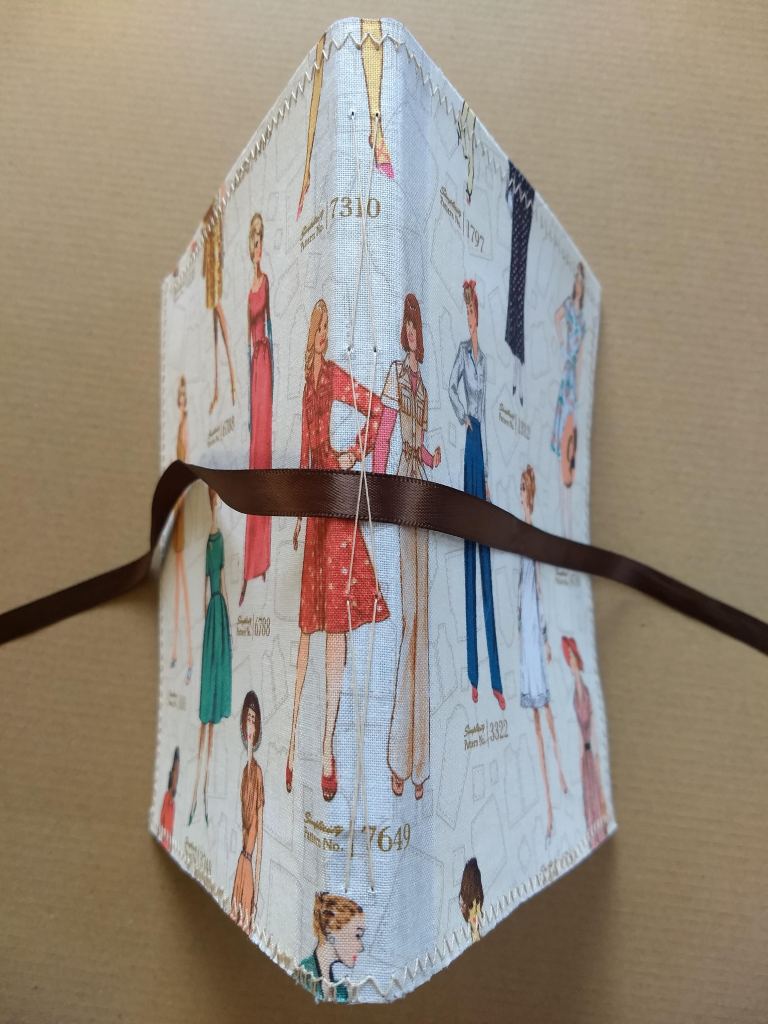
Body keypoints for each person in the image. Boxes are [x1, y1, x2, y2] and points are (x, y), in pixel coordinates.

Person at [286, 299, 389, 801]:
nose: (325, 335)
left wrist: (354, 452)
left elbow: (380, 409)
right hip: (313, 508)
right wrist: (296, 515)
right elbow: (304, 452)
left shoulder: (332, 375)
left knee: (336, 629)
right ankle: (299, 748)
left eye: (329, 327)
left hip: (336, 503)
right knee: (310, 628)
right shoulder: (308, 381)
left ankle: (327, 750)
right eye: (320, 328)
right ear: (311, 333)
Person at [373, 293, 440, 800]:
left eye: (415, 324)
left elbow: (419, 446)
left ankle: (419, 763)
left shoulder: (424, 386)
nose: (411, 332)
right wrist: (374, 488)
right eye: (407, 324)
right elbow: (384, 434)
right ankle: (399, 759)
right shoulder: (396, 374)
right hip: (401, 489)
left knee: (423, 621)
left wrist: (432, 457)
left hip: (423, 487)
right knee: (410, 623)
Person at [448, 280, 505, 709]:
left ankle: (497, 681)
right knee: (469, 553)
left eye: (473, 312)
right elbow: (453, 389)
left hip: (481, 447)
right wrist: (462, 417)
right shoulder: (461, 353)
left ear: (478, 315)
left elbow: (486, 408)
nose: (470, 318)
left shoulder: (484, 360)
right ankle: (473, 676)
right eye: (466, 311)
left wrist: (486, 474)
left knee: (486, 558)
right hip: (469, 442)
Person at [517, 466, 568, 841]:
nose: (521, 493)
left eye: (524, 488)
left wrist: (546, 639)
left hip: (534, 633)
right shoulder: (519, 529)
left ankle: (561, 775)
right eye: (521, 487)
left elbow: (537, 590)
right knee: (537, 716)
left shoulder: (529, 532)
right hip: (525, 637)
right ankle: (549, 803)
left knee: (546, 711)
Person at [188, 488, 232, 825]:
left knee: (211, 714)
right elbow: (214, 585)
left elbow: (216, 587)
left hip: (217, 615)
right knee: (208, 711)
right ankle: (197, 794)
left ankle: (201, 794)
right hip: (217, 616)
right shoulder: (211, 542)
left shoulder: (214, 542)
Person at [239, 213, 273, 604]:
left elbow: (271, 331)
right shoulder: (248, 290)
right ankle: (251, 563)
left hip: (266, 365)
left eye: (261, 237)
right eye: (254, 239)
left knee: (263, 458)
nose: (258, 244)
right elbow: (245, 340)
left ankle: (261, 561)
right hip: (254, 368)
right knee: (253, 459)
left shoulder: (266, 283)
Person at [562, 635, 608, 848]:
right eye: (568, 658)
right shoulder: (574, 695)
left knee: (597, 796)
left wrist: (596, 756)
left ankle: (600, 835)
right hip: (584, 758)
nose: (571, 662)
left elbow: (594, 725)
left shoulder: (586, 691)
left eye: (573, 657)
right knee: (588, 800)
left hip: (592, 753)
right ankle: (593, 839)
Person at [230, 691, 265, 934]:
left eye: (253, 719)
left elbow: (259, 827)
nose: (250, 726)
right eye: (247, 720)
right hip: (243, 856)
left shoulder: (257, 773)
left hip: (250, 858)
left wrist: (258, 881)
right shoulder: (245, 771)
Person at [297, 892, 366, 1003]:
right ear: (330, 933)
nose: (361, 947)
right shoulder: (304, 974)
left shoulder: (342, 991)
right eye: (357, 935)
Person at [169, 376, 193, 683]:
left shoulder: (185, 427)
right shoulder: (179, 424)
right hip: (177, 509)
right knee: (178, 582)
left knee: (183, 585)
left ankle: (185, 655)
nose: (182, 400)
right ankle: (177, 650)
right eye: (180, 395)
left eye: (185, 395)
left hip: (182, 509)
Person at [459, 858, 484, 943]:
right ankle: (475, 937)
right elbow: (479, 893)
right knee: (474, 919)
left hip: (471, 905)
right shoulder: (474, 876)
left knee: (473, 919)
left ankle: (475, 937)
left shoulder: (466, 881)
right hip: (472, 905)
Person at [159, 747, 179, 851]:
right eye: (175, 778)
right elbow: (162, 818)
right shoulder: (167, 797)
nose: (176, 782)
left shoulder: (172, 803)